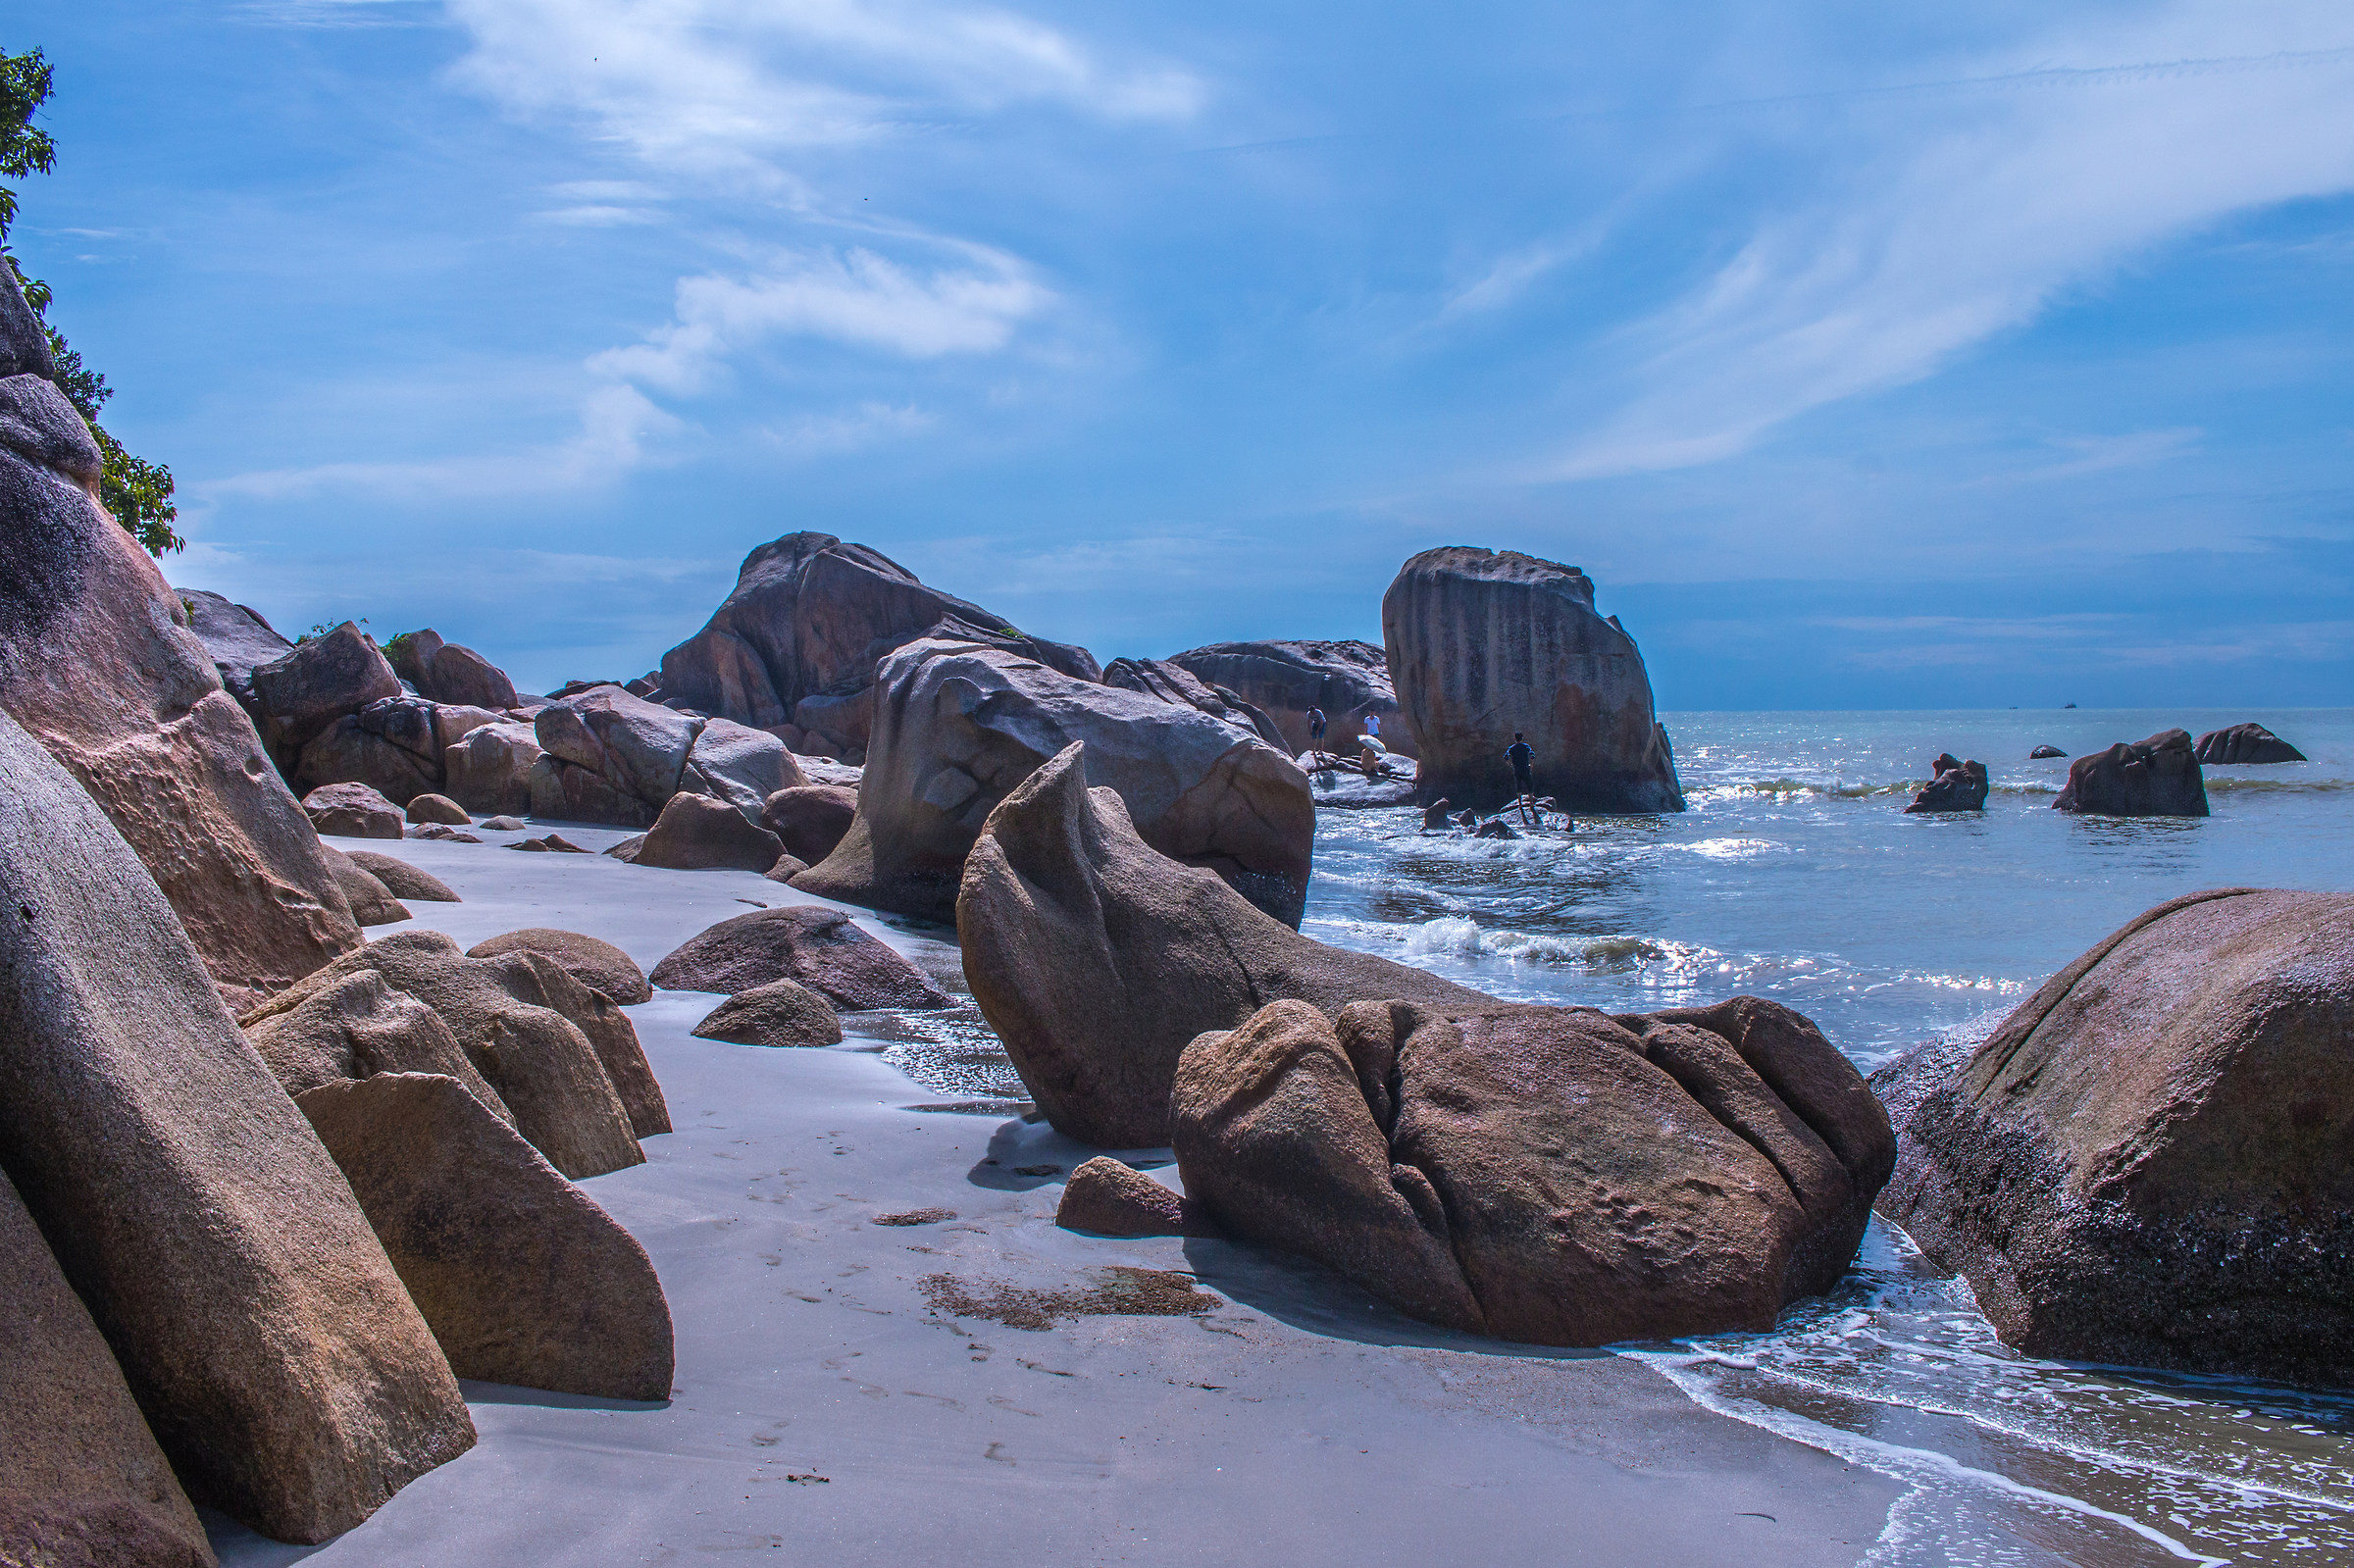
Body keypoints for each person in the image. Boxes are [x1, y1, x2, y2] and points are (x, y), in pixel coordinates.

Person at [1505, 732, 1534, 801]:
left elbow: (1506, 757)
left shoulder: (1512, 748)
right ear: (1522, 738)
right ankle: (1531, 803)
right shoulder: (1526, 746)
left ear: (1514, 738)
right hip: (1525, 767)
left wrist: (1510, 764)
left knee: (1518, 785)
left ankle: (1520, 804)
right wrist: (1531, 764)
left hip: (1517, 768)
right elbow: (1532, 755)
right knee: (1529, 784)